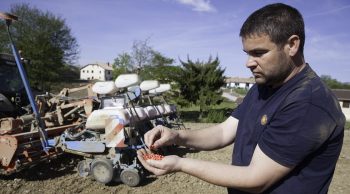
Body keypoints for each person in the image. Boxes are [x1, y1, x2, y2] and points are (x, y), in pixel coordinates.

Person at [137, 3, 345, 194]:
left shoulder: (308, 103)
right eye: (247, 53)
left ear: (292, 45)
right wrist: (177, 136)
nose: (248, 63)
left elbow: (256, 179)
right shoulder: (264, 86)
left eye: (259, 53)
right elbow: (223, 132)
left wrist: (180, 164)